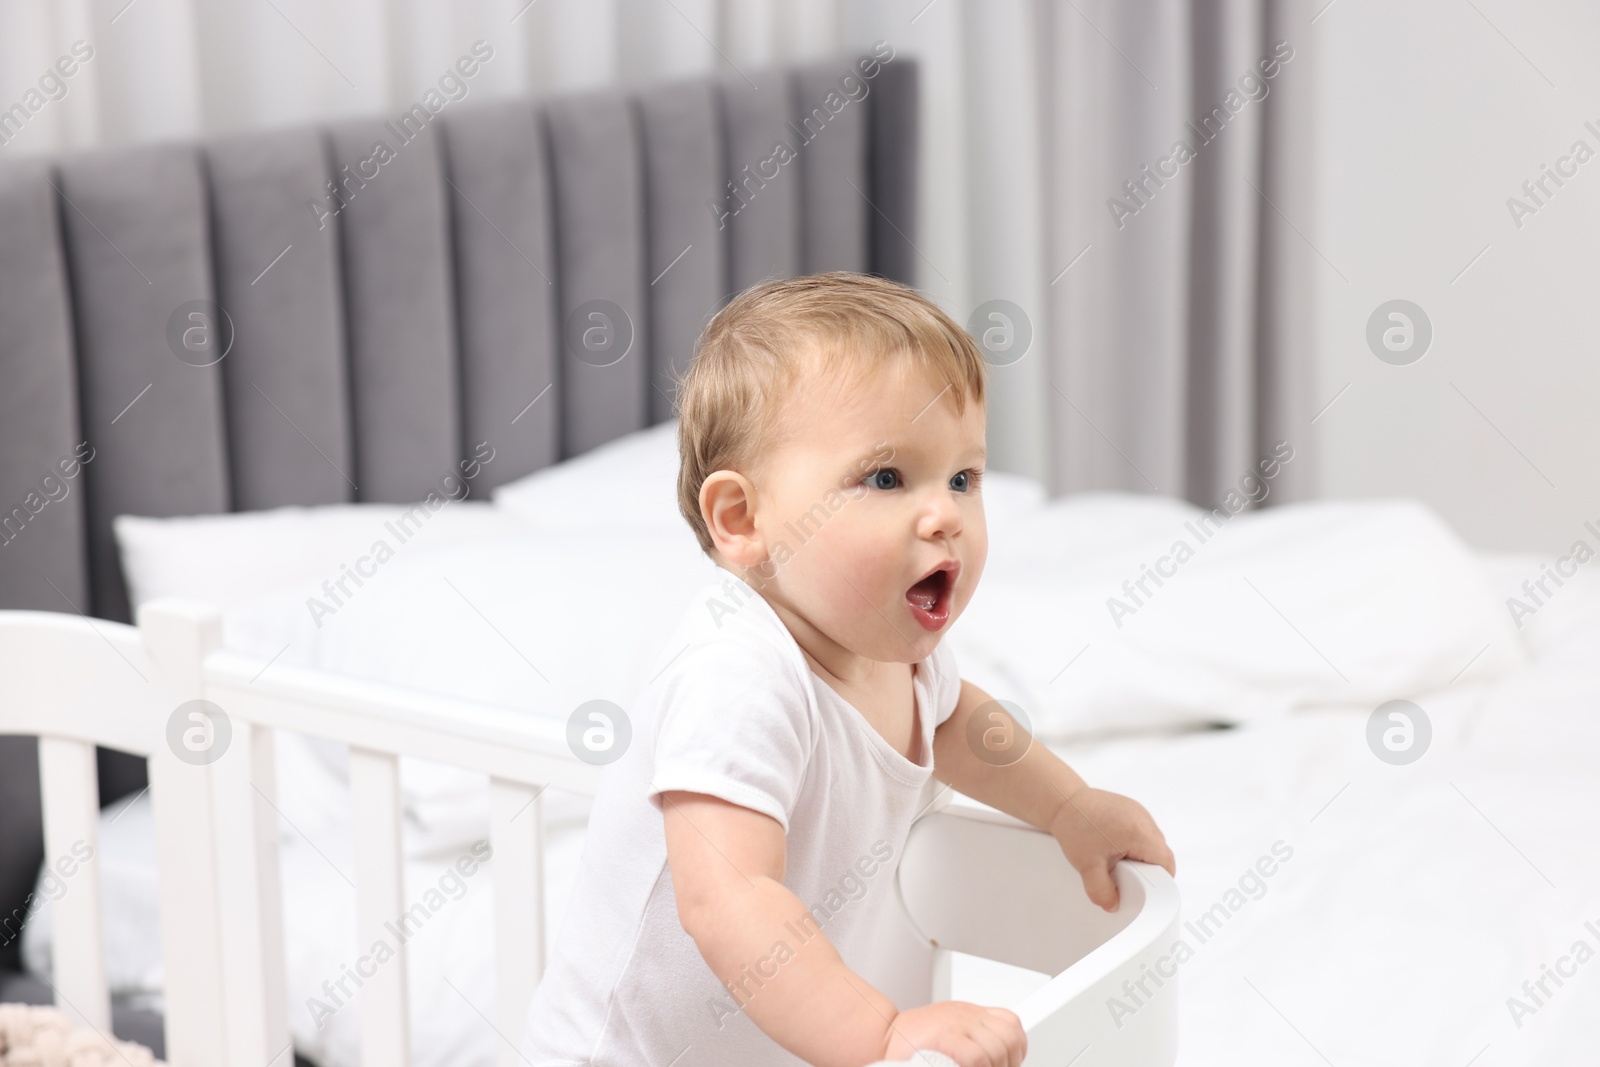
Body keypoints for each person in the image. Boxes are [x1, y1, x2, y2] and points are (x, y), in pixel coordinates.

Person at [519, 272, 1175, 1067]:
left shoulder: (891, 653)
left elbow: (961, 721)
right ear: (743, 518)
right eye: (887, 477)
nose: (946, 516)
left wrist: (1070, 806)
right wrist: (883, 1031)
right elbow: (730, 899)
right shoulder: (737, 674)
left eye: (963, 477)